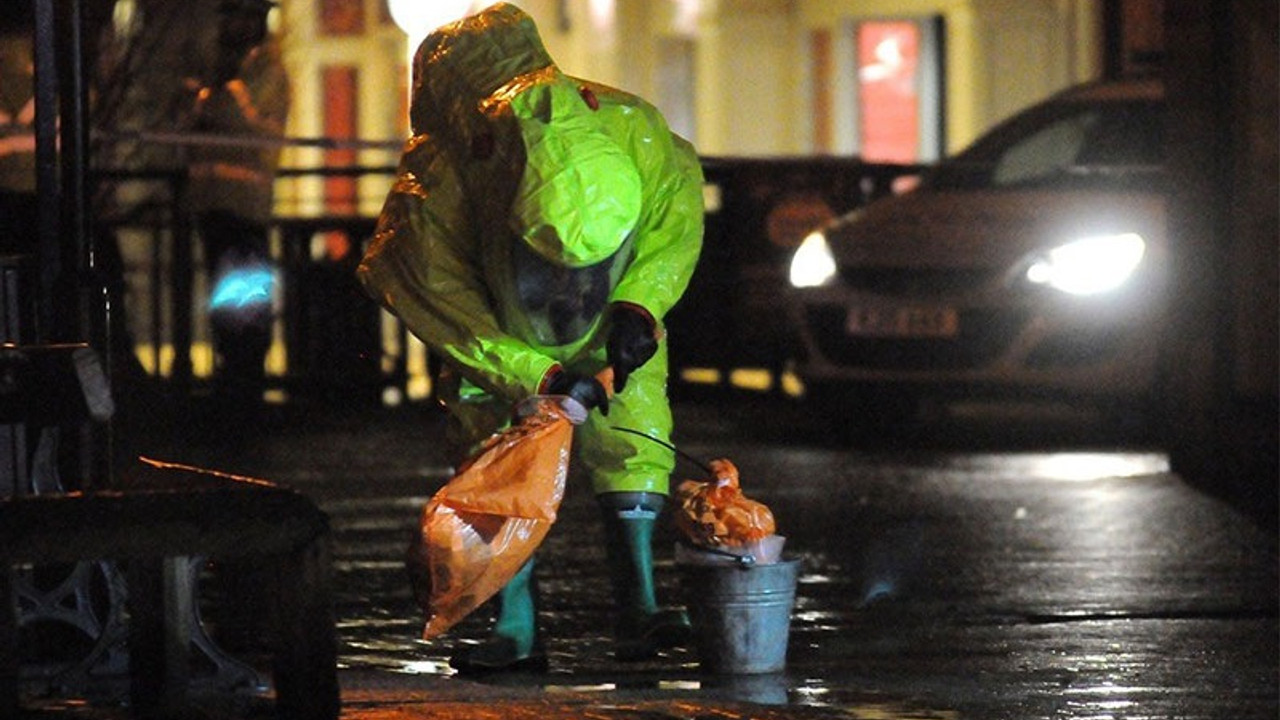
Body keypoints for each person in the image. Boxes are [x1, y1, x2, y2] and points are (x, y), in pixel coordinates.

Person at [358, 3, 705, 673]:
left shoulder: (638, 134)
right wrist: (532, 377)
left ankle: (640, 610)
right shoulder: (436, 187)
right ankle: (514, 623)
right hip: (499, 337)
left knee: (632, 440)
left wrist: (638, 303)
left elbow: (673, 224)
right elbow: (448, 311)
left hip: (609, 325)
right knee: (500, 465)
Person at [186, 0, 289, 411]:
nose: (232, 25)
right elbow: (189, 115)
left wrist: (220, 94)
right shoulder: (221, 69)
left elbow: (232, 116)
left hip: (245, 206)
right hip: (213, 204)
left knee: (244, 303)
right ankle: (233, 381)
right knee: (225, 301)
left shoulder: (266, 72)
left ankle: (246, 385)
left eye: (240, 17)